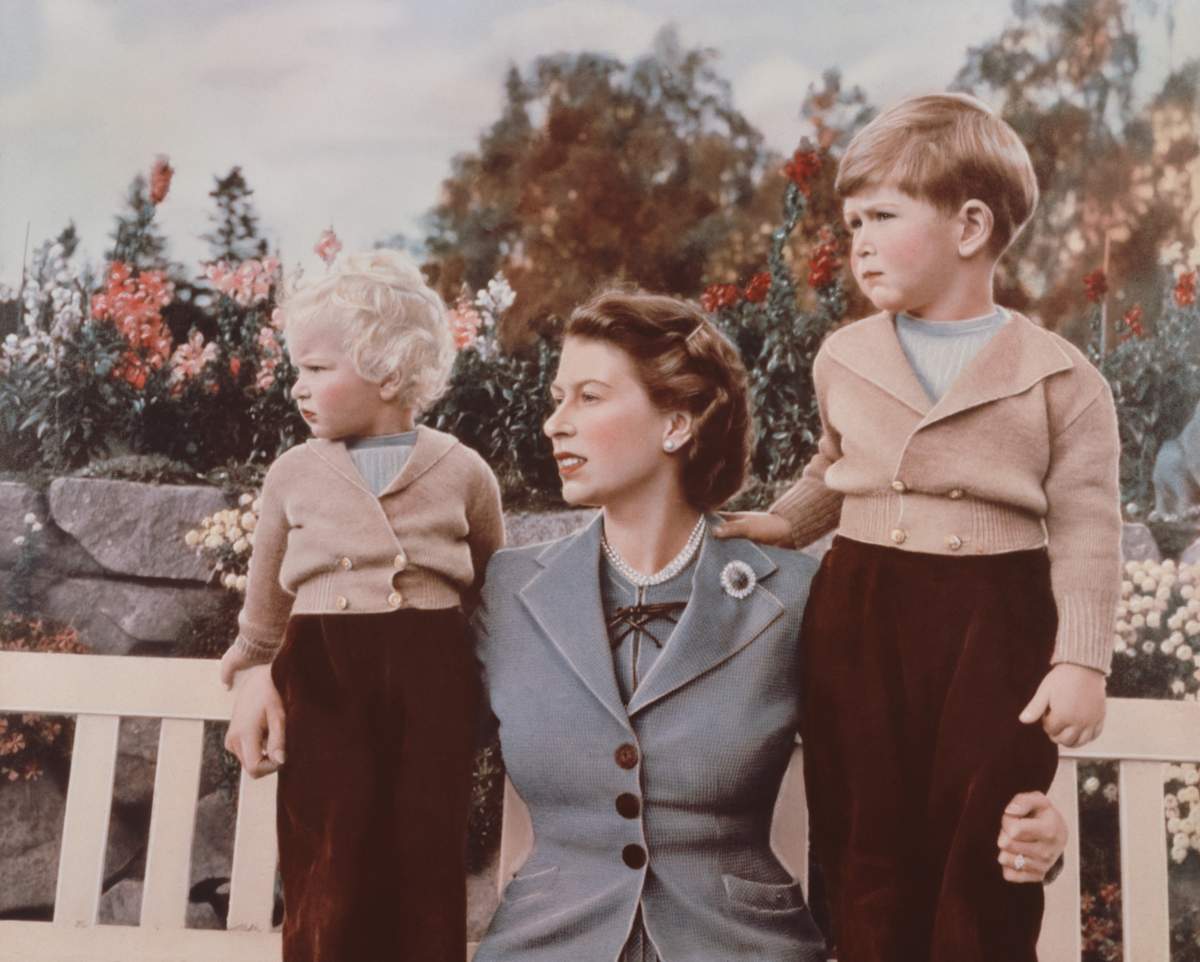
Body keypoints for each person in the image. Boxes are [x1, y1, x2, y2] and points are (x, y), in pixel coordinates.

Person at [228, 288, 1071, 961]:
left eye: (589, 397)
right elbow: (386, 724)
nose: (555, 422)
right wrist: (262, 669)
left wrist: (1039, 835)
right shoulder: (508, 593)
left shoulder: (794, 595)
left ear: (677, 422)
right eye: (556, 398)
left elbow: (909, 776)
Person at [715, 93, 1120, 961]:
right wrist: (785, 523)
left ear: (970, 226)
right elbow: (834, 465)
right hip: (862, 611)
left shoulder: (1062, 377)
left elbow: (1088, 523)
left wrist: (1082, 661)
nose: (857, 241)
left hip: (996, 622)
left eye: (883, 217)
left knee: (987, 842)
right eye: (852, 222)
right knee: (865, 839)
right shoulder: (845, 356)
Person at [217, 249, 504, 962]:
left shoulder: (464, 472)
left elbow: (493, 590)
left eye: (317, 368)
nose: (298, 387)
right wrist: (253, 672)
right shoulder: (293, 474)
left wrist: (499, 681)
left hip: (432, 676)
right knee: (329, 851)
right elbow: (266, 602)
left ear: (388, 372)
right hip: (324, 675)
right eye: (298, 369)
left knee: (425, 848)